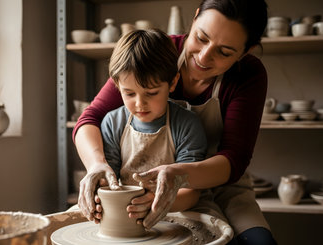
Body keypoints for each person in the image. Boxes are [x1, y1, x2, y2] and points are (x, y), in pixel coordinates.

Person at [74, 0, 277, 244]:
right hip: (138, 192)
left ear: (246, 51)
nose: (203, 57)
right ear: (195, 18)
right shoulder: (157, 53)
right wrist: (96, 164)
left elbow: (235, 159)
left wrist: (178, 177)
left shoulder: (248, 75)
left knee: (258, 242)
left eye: (224, 52)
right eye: (201, 37)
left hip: (219, 186)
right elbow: (90, 117)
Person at [98, 29, 208, 218]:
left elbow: (191, 193)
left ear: (172, 83)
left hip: (175, 208)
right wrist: (99, 200)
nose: (140, 104)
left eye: (152, 93)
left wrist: (158, 203)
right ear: (117, 85)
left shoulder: (186, 124)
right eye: (129, 94)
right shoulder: (113, 123)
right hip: (124, 210)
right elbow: (108, 181)